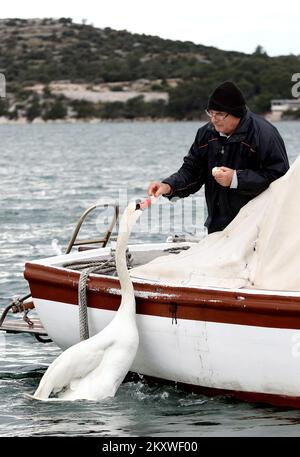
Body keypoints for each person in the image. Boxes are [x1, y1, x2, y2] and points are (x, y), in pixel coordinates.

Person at [148, 81, 289, 233]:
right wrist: (168, 186)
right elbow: (192, 171)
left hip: (258, 226)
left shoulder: (265, 134)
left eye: (220, 114)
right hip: (218, 226)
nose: (214, 119)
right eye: (211, 113)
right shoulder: (206, 133)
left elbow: (281, 178)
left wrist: (236, 179)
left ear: (237, 113)